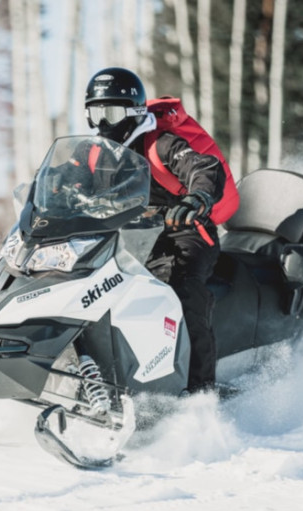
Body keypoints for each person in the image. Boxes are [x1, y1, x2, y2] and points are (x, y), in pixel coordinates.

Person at [84, 67, 228, 393]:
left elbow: (202, 166)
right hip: (129, 238)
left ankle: (198, 389)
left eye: (112, 113)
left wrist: (197, 196)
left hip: (184, 232)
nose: (104, 123)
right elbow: (67, 175)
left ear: (134, 113)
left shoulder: (160, 143)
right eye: (96, 113)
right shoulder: (95, 152)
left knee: (179, 291)